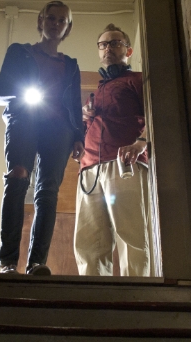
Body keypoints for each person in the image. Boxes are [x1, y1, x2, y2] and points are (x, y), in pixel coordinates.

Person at [0, 1, 85, 276]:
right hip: (24, 120)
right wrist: (25, 95)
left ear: (67, 28)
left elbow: (74, 102)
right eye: (51, 18)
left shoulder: (70, 65)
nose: (56, 23)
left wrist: (79, 136)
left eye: (62, 20)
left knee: (47, 191)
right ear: (41, 21)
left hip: (59, 130)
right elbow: (0, 94)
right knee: (18, 176)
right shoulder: (19, 52)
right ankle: (8, 262)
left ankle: (36, 263)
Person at [74, 23, 151, 277]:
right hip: (89, 170)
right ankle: (92, 298)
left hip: (124, 163)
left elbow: (156, 115)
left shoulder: (138, 80)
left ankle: (137, 294)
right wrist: (86, 118)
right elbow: (86, 132)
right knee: (88, 242)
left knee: (131, 235)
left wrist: (141, 143)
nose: (108, 48)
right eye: (103, 44)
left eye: (115, 43)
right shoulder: (96, 91)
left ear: (128, 50)